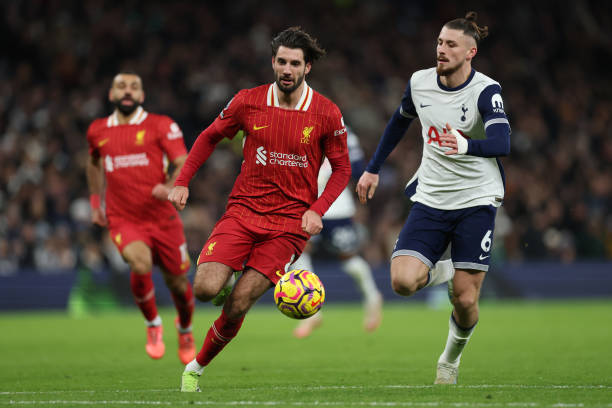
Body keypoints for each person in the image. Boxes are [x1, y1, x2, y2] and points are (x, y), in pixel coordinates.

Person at [168, 27, 351, 392]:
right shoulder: (248, 101)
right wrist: (182, 180)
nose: (286, 69)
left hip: (289, 226)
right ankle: (226, 277)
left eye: (294, 63)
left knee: (237, 305)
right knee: (205, 289)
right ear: (273, 62)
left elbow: (343, 169)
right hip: (242, 212)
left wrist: (318, 208)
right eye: (281, 61)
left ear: (307, 67)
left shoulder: (326, 113)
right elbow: (209, 137)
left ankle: (196, 367)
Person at [356, 12, 511, 384]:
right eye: (440, 42)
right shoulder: (420, 83)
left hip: (476, 198)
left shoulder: (486, 91)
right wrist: (373, 167)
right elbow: (399, 120)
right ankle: (447, 269)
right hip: (432, 197)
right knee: (403, 283)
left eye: (451, 45)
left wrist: (466, 145)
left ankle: (449, 361)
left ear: (470, 52)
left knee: (466, 300)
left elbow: (502, 142)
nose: (441, 50)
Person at [86, 72, 196, 364]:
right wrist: (96, 202)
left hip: (162, 218)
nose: (127, 91)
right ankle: (153, 324)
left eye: (134, 87)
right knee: (139, 262)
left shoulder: (161, 125)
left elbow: (182, 160)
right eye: (121, 86)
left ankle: (185, 329)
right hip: (124, 217)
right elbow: (94, 163)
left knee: (178, 284)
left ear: (142, 96)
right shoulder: (98, 130)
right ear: (111, 95)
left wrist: (172, 185)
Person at [291, 126, 383, 338]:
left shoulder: (346, 133)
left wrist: (361, 201)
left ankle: (372, 297)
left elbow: (359, 170)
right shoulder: (297, 125)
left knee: (348, 259)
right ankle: (311, 311)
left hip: (336, 206)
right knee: (300, 252)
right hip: (306, 203)